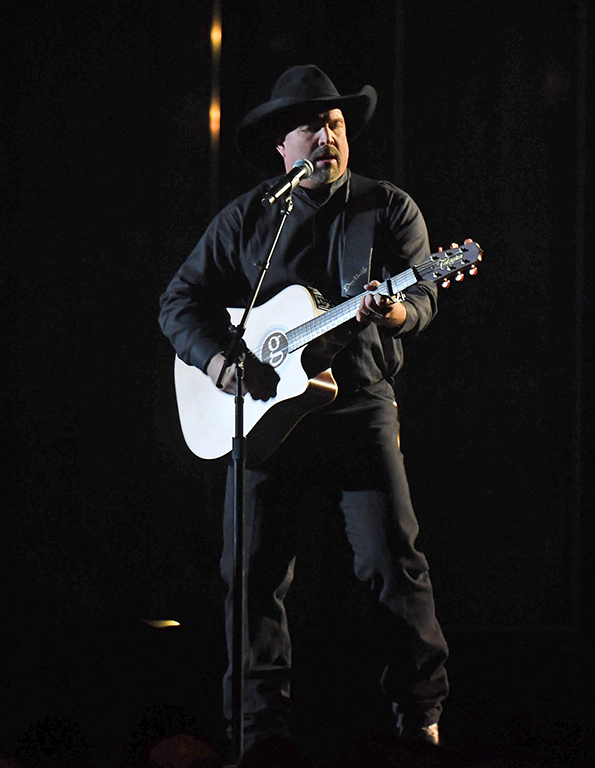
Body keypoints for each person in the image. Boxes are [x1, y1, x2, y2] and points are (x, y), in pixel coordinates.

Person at [158, 65, 449, 747]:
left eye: (338, 124)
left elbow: (423, 300)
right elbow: (179, 301)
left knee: (391, 566)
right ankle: (258, 735)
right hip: (265, 418)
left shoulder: (388, 208)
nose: (329, 136)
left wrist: (398, 307)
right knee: (251, 573)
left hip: (358, 407)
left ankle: (421, 719)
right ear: (283, 146)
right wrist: (222, 363)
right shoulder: (250, 217)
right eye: (314, 126)